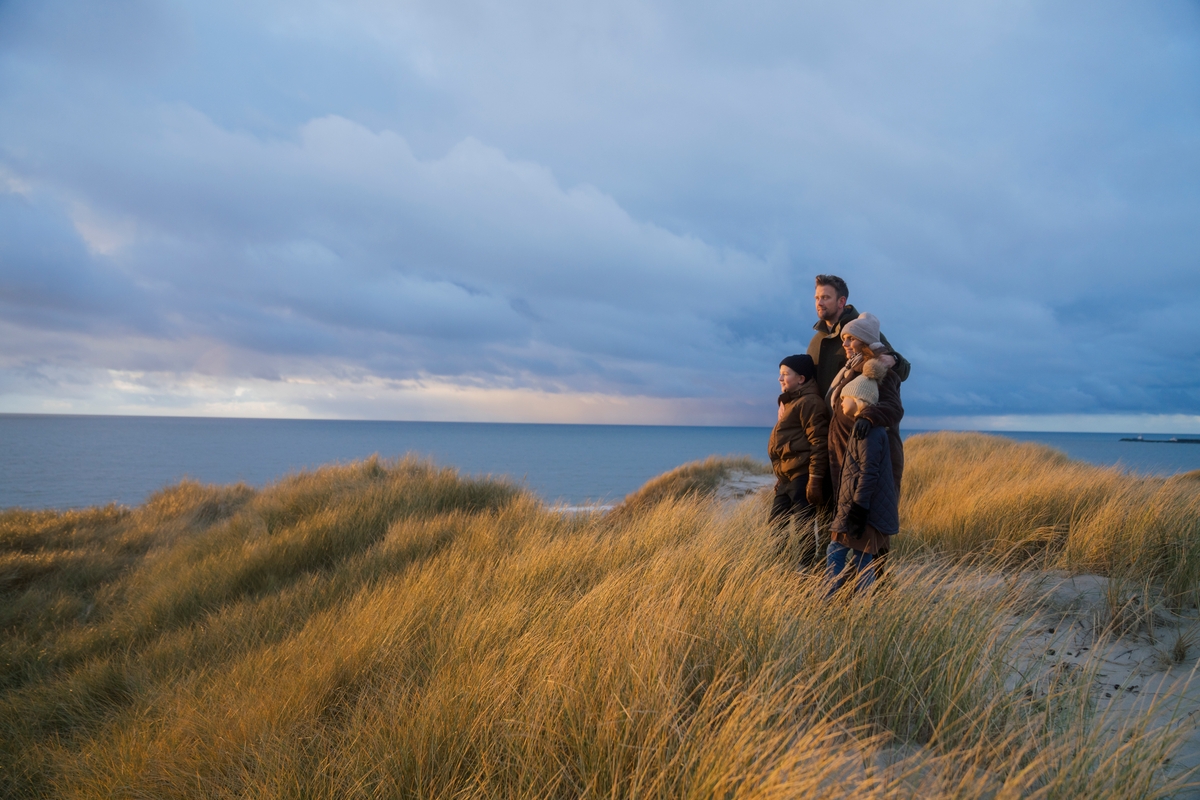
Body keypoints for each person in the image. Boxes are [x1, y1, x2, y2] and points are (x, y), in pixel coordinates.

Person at [826, 373, 900, 596]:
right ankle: (862, 603)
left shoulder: (867, 433)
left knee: (837, 552)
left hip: (861, 510)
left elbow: (868, 472)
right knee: (862, 557)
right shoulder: (866, 429)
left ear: (857, 399)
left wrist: (858, 509)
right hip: (862, 508)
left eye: (844, 397)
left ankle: (826, 598)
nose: (840, 402)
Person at [767, 354, 829, 566]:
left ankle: (805, 569)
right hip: (787, 476)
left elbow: (819, 443)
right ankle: (781, 567)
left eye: (785, 374)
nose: (780, 378)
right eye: (780, 374)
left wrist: (815, 478)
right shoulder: (793, 402)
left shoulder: (810, 402)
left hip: (802, 475)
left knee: (803, 525)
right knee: (777, 523)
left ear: (801, 378)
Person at [808, 275, 910, 398]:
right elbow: (803, 382)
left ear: (841, 301)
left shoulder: (862, 330)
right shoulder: (816, 341)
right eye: (817, 298)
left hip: (856, 413)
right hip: (823, 416)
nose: (819, 303)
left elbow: (903, 370)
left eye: (825, 297)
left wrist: (895, 360)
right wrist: (785, 400)